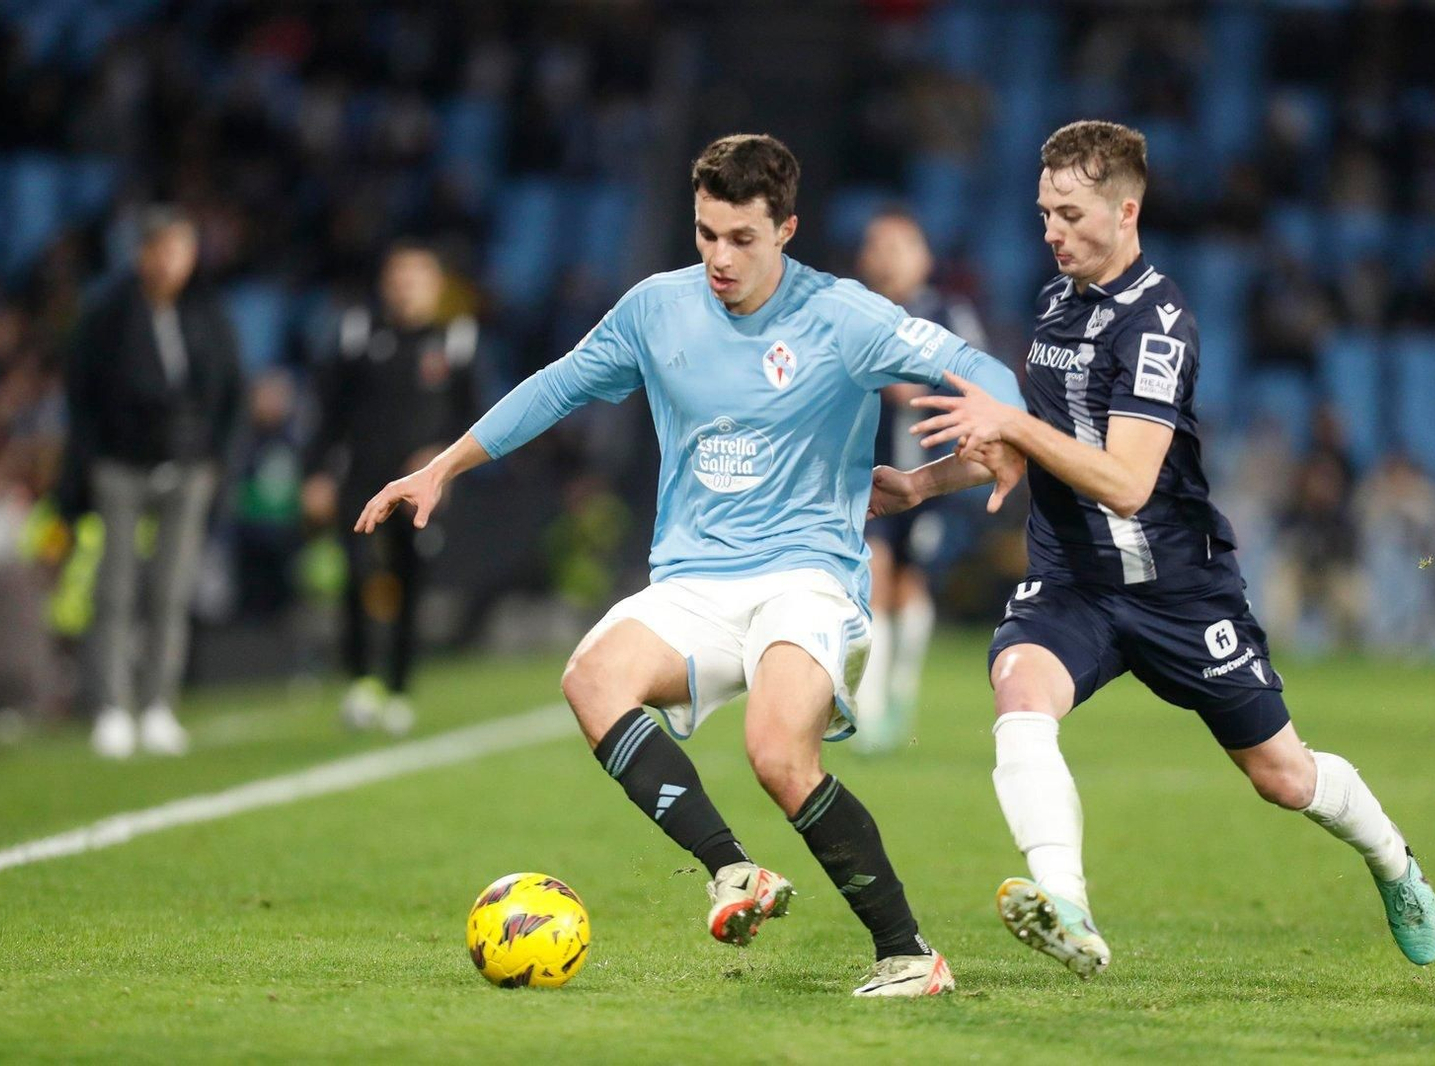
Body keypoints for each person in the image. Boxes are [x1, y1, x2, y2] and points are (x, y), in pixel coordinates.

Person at [355, 134, 1025, 996]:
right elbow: (556, 385)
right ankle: (735, 871)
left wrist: (960, 456)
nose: (719, 257)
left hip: (805, 575)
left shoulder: (845, 317)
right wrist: (441, 467)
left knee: (777, 753)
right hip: (694, 582)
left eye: (742, 238)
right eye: (706, 233)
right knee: (592, 679)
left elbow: (985, 372)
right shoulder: (654, 309)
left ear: (787, 228)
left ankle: (907, 953)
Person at [875, 120, 1435, 977]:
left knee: (1283, 777)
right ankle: (1065, 904)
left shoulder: (1159, 322)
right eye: (1042, 214)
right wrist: (921, 485)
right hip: (1075, 583)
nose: (1050, 232)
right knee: (1019, 692)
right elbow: (1031, 444)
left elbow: (1128, 481)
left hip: (1180, 590)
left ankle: (1395, 862)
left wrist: (1013, 421)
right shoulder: (1056, 306)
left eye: (1067, 214)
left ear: (1125, 210)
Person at [59, 206, 243, 759]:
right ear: (141, 254)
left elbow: (231, 393)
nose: (170, 262)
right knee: (114, 589)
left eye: (181, 251)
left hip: (188, 468)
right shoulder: (106, 314)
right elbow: (81, 397)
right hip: (121, 464)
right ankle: (111, 707)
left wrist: (217, 461)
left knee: (171, 590)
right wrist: (88, 466)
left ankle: (158, 705)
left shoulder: (208, 313)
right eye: (160, 249)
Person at [303, 241, 483, 735]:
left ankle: (400, 688)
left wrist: (442, 463)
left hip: (421, 487)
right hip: (361, 479)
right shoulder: (358, 335)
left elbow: (476, 419)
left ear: (435, 285)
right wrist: (316, 473)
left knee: (410, 581)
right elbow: (328, 412)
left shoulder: (456, 340)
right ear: (385, 283)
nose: (405, 287)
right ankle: (361, 682)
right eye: (397, 276)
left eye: (416, 277)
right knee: (357, 578)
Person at [852, 207, 991, 753]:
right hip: (868, 471)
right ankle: (869, 708)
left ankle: (901, 689)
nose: (881, 257)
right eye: (874, 246)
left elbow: (978, 377)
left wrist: (914, 390)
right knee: (874, 573)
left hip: (929, 474)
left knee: (911, 585)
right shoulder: (858, 314)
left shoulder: (946, 313)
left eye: (894, 246)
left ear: (921, 257)